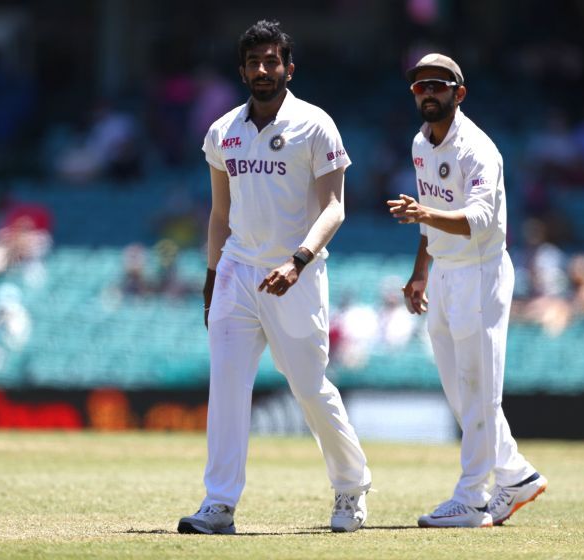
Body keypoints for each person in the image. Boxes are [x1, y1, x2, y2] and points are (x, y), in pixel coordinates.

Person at [177, 20, 371, 535]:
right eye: (254, 62)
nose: (263, 70)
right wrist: (212, 273)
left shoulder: (316, 125)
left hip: (297, 275)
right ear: (241, 70)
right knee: (228, 387)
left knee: (308, 388)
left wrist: (299, 259)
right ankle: (219, 504)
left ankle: (351, 487)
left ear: (289, 67)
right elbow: (220, 216)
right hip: (238, 272)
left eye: (272, 61)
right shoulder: (222, 131)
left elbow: (335, 208)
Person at [387, 53, 547, 528]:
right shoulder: (421, 143)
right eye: (419, 87)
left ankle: (473, 496)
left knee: (479, 389)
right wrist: (420, 271)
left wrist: (423, 216)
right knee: (461, 392)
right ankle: (516, 475)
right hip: (444, 273)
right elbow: (430, 210)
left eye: (437, 85)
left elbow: (476, 221)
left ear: (459, 93)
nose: (427, 93)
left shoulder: (479, 150)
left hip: (480, 272)